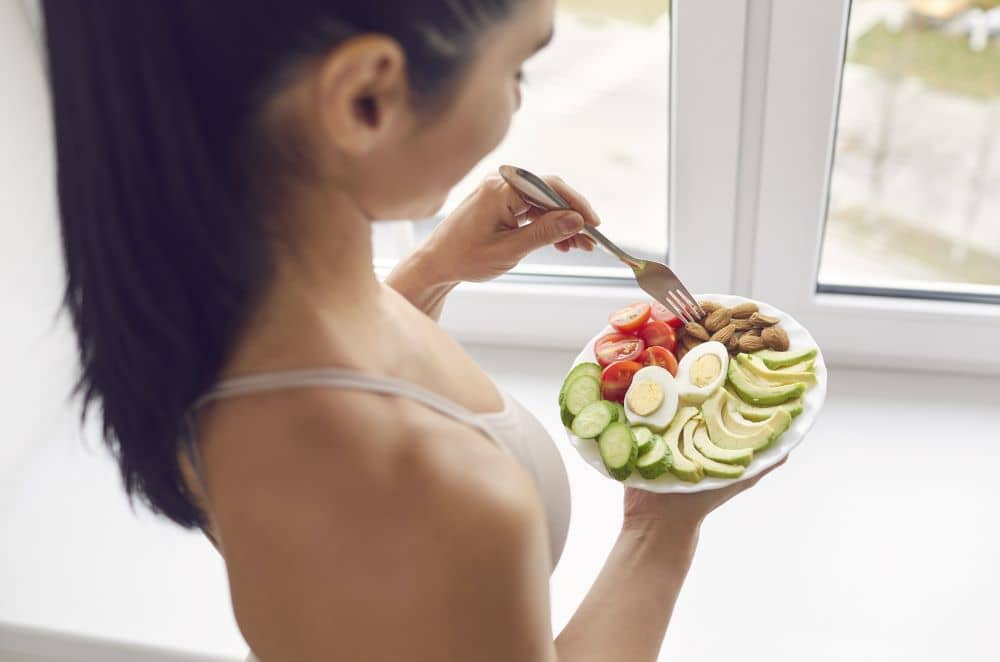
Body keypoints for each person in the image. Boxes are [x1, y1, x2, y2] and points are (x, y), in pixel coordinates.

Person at [42, 1, 784, 660]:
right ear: (366, 98)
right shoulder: (433, 497)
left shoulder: (213, 313)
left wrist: (432, 269)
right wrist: (662, 525)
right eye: (516, 69)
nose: (515, 105)